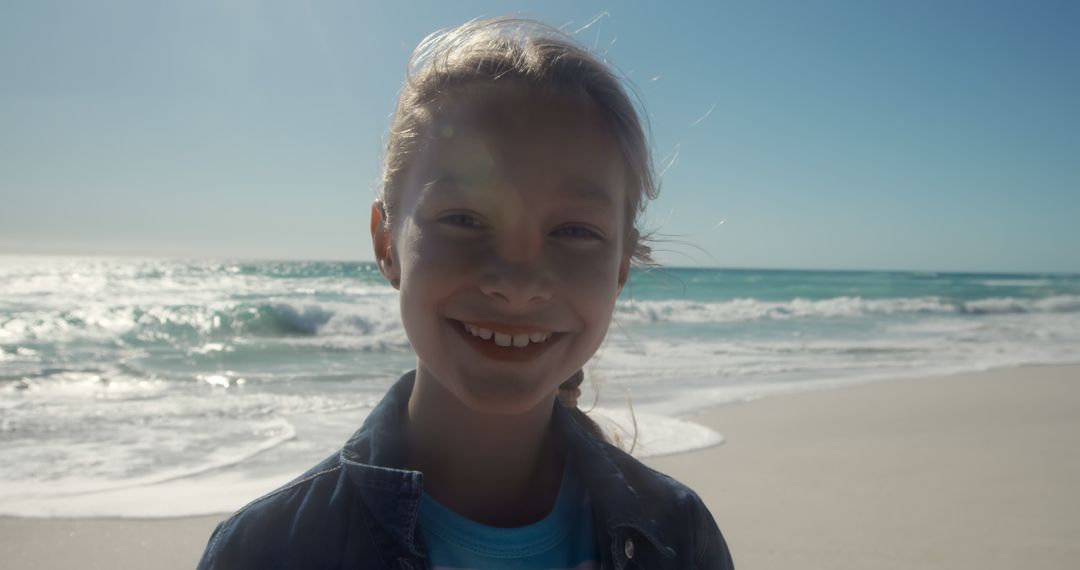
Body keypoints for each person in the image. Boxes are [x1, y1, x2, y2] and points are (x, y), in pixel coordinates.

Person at [198, 17, 734, 570]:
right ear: (387, 243)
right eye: (464, 219)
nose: (518, 284)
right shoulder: (268, 551)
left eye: (574, 231)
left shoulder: (677, 537)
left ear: (620, 266)